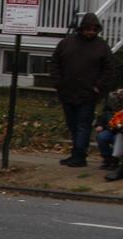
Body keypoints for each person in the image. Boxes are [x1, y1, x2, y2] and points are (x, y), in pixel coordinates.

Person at [49, 13, 112, 168]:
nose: (91, 32)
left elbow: (109, 68)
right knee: (72, 124)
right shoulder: (66, 43)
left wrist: (99, 86)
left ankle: (79, 156)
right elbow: (55, 63)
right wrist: (58, 83)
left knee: (83, 125)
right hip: (67, 91)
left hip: (88, 93)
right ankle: (76, 153)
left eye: (94, 30)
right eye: (88, 29)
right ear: (81, 29)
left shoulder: (101, 46)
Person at [94, 88, 123, 170]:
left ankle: (116, 160)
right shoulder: (109, 108)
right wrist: (99, 125)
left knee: (117, 139)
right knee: (101, 137)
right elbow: (102, 117)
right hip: (110, 129)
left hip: (122, 131)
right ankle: (108, 158)